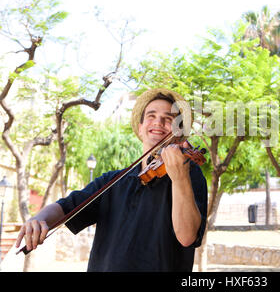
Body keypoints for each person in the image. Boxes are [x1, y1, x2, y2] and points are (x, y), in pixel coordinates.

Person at [15, 88, 208, 271]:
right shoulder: (113, 180)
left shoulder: (189, 176)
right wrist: (38, 219)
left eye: (168, 119)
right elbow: (64, 207)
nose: (158, 122)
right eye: (151, 116)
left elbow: (187, 237)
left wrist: (180, 177)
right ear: (140, 129)